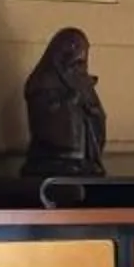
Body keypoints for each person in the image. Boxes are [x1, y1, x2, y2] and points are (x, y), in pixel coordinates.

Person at [21, 28, 107, 178]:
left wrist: (92, 110)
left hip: (84, 157)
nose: (77, 66)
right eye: (74, 60)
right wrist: (70, 101)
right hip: (54, 158)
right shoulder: (43, 80)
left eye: (81, 62)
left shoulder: (82, 80)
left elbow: (97, 112)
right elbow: (43, 113)